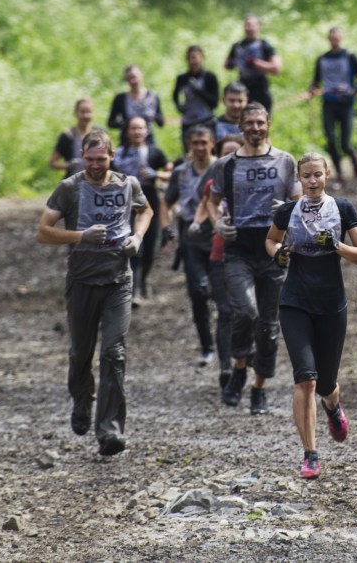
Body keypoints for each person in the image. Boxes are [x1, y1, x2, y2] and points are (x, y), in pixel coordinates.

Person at [36, 129, 152, 457]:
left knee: (114, 353)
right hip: (82, 282)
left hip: (118, 281)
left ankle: (110, 429)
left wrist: (138, 238)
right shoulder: (70, 188)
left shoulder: (128, 185)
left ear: (112, 157)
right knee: (80, 354)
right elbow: (43, 232)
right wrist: (80, 236)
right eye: (89, 160)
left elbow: (146, 210)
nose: (95, 165)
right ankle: (82, 401)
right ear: (82, 158)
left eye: (101, 159)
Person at [265, 152, 357, 479]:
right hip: (295, 301)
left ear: (326, 175)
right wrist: (279, 253)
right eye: (306, 176)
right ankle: (310, 454)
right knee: (305, 378)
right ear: (299, 178)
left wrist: (336, 245)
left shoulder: (343, 208)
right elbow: (270, 240)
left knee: (326, 382)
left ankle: (333, 406)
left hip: (331, 303)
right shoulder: (287, 211)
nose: (312, 181)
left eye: (317, 175)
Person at [208, 102, 299, 414]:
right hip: (238, 250)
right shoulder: (226, 165)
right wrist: (217, 223)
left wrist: (287, 211)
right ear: (240, 126)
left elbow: (301, 201)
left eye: (261, 122)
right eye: (250, 123)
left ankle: (259, 389)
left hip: (274, 249)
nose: (256, 128)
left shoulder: (285, 161)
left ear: (268, 123)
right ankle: (239, 368)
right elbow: (213, 199)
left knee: (269, 326)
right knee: (245, 312)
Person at [162, 123, 218, 365]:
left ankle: (229, 344)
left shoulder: (221, 168)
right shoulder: (180, 172)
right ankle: (207, 346)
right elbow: (167, 202)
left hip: (217, 233)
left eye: (203, 142)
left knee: (222, 293)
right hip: (190, 236)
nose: (199, 147)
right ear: (189, 146)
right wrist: (166, 228)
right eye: (195, 143)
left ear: (212, 144)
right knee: (198, 293)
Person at [195, 134, 244, 387]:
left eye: (236, 153)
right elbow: (206, 205)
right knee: (225, 311)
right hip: (220, 256)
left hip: (251, 256)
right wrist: (207, 223)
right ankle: (226, 365)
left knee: (248, 312)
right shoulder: (214, 183)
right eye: (227, 154)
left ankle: (245, 358)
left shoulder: (255, 182)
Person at [112, 116, 171, 304]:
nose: (137, 132)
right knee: (135, 245)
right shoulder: (118, 154)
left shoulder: (155, 153)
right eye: (133, 128)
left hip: (149, 201)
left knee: (150, 245)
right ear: (127, 131)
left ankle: (143, 280)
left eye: (141, 128)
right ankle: (134, 290)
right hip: (125, 203)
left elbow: (173, 173)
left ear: (147, 131)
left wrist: (157, 174)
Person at [310, 26, 357, 187]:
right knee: (330, 141)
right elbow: (316, 80)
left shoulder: (350, 57)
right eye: (332, 37)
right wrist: (313, 88)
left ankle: (354, 159)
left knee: (345, 144)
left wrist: (353, 91)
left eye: (337, 37)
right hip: (328, 103)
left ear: (341, 38)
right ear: (328, 39)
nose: (334, 40)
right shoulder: (322, 59)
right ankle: (340, 175)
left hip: (346, 104)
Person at [224, 15, 282, 113]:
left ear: (259, 27)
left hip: (261, 90)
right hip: (243, 90)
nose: (249, 28)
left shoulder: (265, 46)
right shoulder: (237, 46)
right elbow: (227, 65)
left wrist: (256, 63)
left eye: (252, 25)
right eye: (247, 25)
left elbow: (277, 68)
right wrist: (232, 63)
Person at [173, 45, 220, 154]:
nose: (194, 61)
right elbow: (175, 95)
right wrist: (180, 107)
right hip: (188, 121)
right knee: (189, 153)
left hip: (206, 120)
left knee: (210, 151)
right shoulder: (182, 78)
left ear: (202, 58)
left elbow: (214, 102)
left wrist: (198, 90)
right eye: (191, 58)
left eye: (196, 57)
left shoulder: (210, 77)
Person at [108, 64, 165, 146]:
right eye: (129, 78)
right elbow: (111, 122)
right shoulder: (120, 99)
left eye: (134, 77)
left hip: (148, 142)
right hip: (127, 143)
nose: (132, 81)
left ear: (141, 76)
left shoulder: (153, 97)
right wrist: (127, 124)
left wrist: (152, 117)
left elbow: (161, 122)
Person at [50, 97, 98, 178]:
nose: (85, 116)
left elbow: (110, 158)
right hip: (74, 183)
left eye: (89, 112)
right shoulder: (67, 136)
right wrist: (69, 165)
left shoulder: (100, 134)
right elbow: (53, 163)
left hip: (97, 183)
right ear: (76, 113)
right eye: (82, 112)